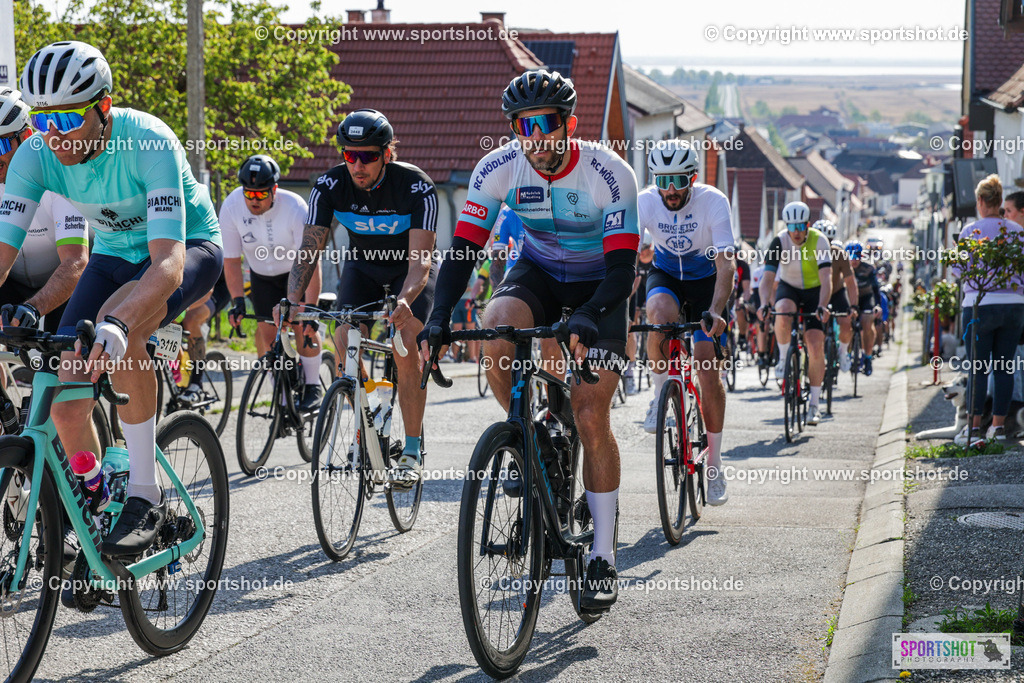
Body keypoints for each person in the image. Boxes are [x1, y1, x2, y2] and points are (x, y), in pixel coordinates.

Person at [418, 69, 638, 611]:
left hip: (601, 285)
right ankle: (529, 435)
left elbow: (622, 268)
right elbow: (464, 250)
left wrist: (588, 314)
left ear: (568, 124)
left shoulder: (609, 174)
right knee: (497, 328)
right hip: (538, 270)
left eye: (545, 123)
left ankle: (604, 555)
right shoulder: (498, 168)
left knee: (589, 414)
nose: (535, 136)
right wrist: (440, 316)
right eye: (523, 125)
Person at [1, 41, 222, 555]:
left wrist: (120, 322)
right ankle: (100, 501)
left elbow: (167, 264)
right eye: (43, 120)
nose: (54, 136)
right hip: (113, 254)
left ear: (103, 107)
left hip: (186, 248)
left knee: (123, 325)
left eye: (70, 119)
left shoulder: (148, 141)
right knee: (64, 398)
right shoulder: (35, 154)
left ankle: (146, 494)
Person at [283, 109, 437, 488]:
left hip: (409, 274)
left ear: (388, 153)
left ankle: (412, 451)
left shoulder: (416, 187)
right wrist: (291, 299)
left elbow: (421, 264)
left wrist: (403, 302)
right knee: (341, 337)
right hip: (363, 269)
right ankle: (370, 412)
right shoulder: (330, 185)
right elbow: (307, 251)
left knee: (404, 345)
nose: (358, 164)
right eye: (350, 155)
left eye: (367, 155)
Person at [640, 139, 735, 504]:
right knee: (657, 319)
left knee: (706, 364)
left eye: (679, 180)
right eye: (663, 180)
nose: (671, 190)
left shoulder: (713, 201)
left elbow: (726, 263)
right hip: (665, 274)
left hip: (706, 281)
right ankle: (658, 395)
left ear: (692, 177)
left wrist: (716, 310)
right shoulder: (646, 200)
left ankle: (714, 464)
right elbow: (627, 251)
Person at [221, 155, 324, 411]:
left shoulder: (296, 207)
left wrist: (311, 307)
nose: (253, 200)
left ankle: (313, 384)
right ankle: (281, 397)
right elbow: (232, 261)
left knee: (302, 329)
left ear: (274, 190)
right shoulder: (232, 205)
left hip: (296, 276)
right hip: (262, 278)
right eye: (249, 194)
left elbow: (310, 260)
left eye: (261, 195)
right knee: (266, 336)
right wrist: (237, 301)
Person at [0, 87, 89, 334]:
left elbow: (76, 261)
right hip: (10, 284)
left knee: (60, 365)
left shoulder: (59, 175)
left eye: (0, 144)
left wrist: (34, 307)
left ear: (27, 136)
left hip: (63, 283)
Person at [953, 174, 1024, 446]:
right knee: (1005, 367)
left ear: (981, 201)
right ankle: (997, 428)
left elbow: (958, 270)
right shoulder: (1017, 232)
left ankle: (973, 429)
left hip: (980, 305)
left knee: (978, 369)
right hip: (1014, 307)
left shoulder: (971, 232)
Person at [757, 202, 832, 425]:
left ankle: (815, 406)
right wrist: (763, 303)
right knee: (782, 311)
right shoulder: (779, 241)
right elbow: (767, 278)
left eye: (801, 226)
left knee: (815, 345)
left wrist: (823, 305)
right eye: (792, 226)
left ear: (808, 224)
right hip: (789, 288)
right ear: (787, 226)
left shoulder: (820, 240)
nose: (797, 232)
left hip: (814, 292)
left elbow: (826, 278)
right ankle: (782, 358)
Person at [178, 273, 230, 405]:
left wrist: (181, 309)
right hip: (187, 285)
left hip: (215, 288)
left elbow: (208, 290)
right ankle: (178, 377)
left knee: (191, 319)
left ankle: (196, 383)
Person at [815, 220, 858, 372]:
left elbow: (850, 282)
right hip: (816, 292)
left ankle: (844, 352)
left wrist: (853, 306)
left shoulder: (839, 254)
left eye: (829, 241)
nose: (825, 244)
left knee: (846, 322)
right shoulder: (807, 253)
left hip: (837, 292)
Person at [846, 241, 881, 376]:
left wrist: (877, 305)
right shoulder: (844, 268)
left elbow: (876, 289)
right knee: (846, 322)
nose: (854, 260)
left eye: (857, 257)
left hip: (866, 298)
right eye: (851, 256)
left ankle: (867, 357)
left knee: (867, 322)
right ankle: (847, 353)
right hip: (850, 299)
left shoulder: (868, 268)